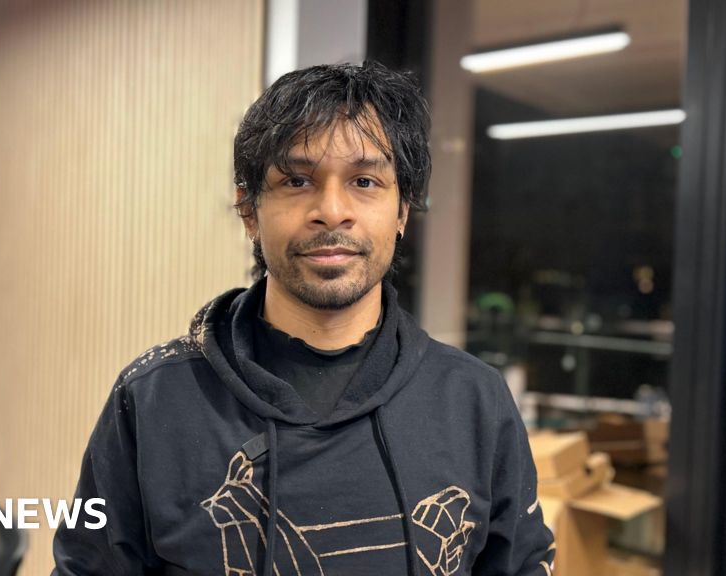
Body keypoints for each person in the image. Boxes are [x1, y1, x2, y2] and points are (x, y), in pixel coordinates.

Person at [52, 61, 556, 576]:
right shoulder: (156, 397)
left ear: (403, 210)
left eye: (364, 180)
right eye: (296, 180)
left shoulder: (473, 401)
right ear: (248, 209)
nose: (332, 211)